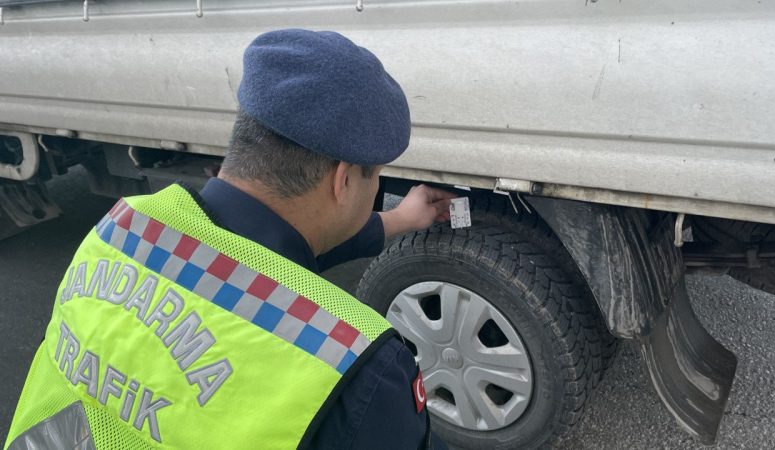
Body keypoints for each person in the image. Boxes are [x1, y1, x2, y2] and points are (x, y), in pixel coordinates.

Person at [5, 29, 455, 450]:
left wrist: (395, 220)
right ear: (342, 181)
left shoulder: (123, 230)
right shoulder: (354, 373)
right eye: (373, 175)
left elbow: (256, 257)